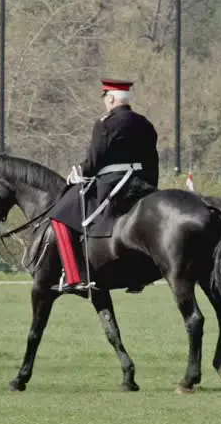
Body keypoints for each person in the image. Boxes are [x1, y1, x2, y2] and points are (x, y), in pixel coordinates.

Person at [48, 77, 159, 294]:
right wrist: (151, 186)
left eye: (105, 99)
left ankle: (75, 277)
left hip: (113, 184)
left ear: (110, 99)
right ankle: (140, 276)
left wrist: (77, 174)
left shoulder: (105, 123)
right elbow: (153, 158)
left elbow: (94, 161)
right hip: (142, 184)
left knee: (59, 215)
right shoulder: (145, 123)